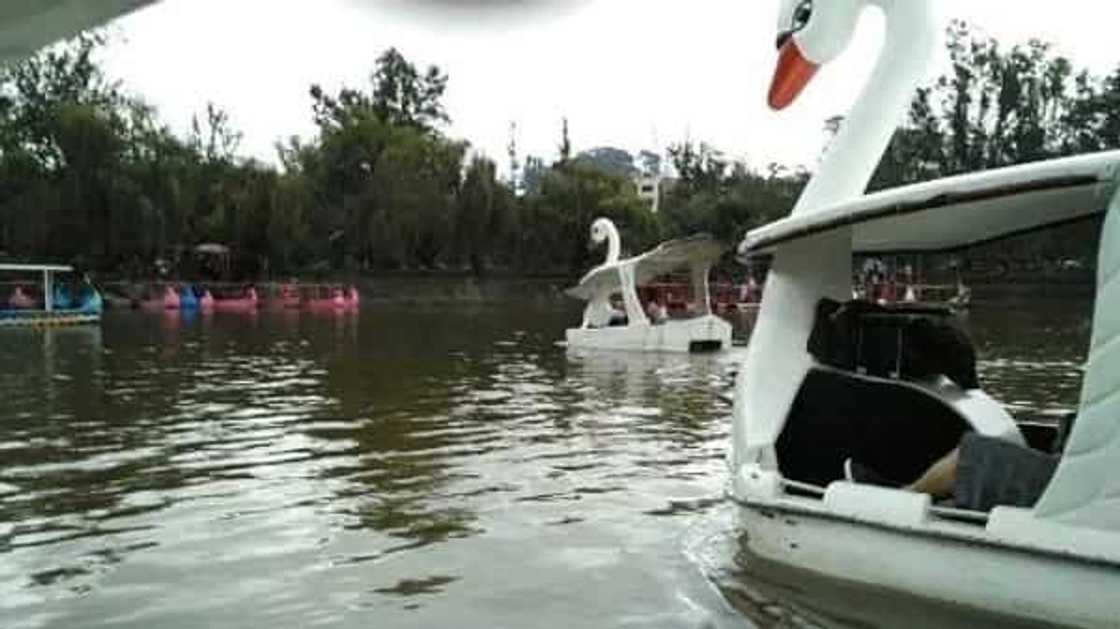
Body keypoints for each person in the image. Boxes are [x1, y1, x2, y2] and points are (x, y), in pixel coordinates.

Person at [845, 414, 1073, 512]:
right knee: (1004, 440)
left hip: (1070, 490)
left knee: (971, 454)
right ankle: (931, 501)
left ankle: (899, 500)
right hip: (1074, 478)